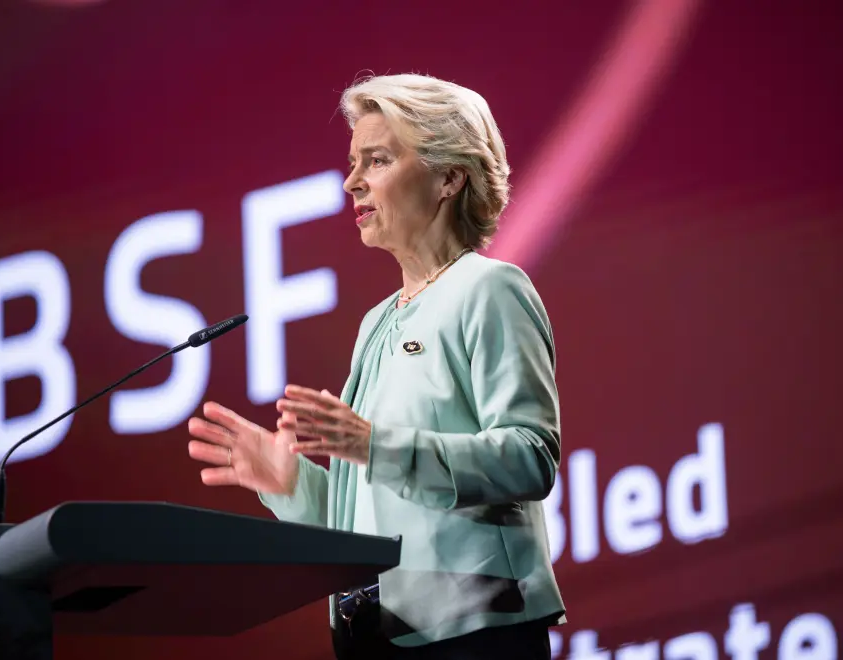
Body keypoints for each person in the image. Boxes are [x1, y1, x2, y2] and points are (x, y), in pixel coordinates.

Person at [186, 73, 564, 659]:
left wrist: (376, 446)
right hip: (378, 639)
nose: (351, 182)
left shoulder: (489, 288)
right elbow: (371, 519)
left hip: (474, 632)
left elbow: (528, 456)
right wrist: (293, 485)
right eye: (353, 162)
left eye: (377, 161)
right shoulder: (377, 322)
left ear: (449, 176)